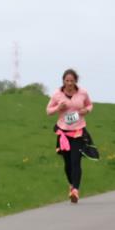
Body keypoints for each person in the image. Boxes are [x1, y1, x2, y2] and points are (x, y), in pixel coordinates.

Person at [46, 69, 94, 203]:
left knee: (75, 161)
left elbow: (90, 105)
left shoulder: (82, 93)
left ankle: (75, 191)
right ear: (63, 81)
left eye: (72, 81)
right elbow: (48, 111)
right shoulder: (57, 94)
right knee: (67, 163)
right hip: (63, 132)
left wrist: (86, 110)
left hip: (78, 131)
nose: (69, 83)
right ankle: (71, 185)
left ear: (76, 81)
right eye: (66, 81)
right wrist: (57, 108)